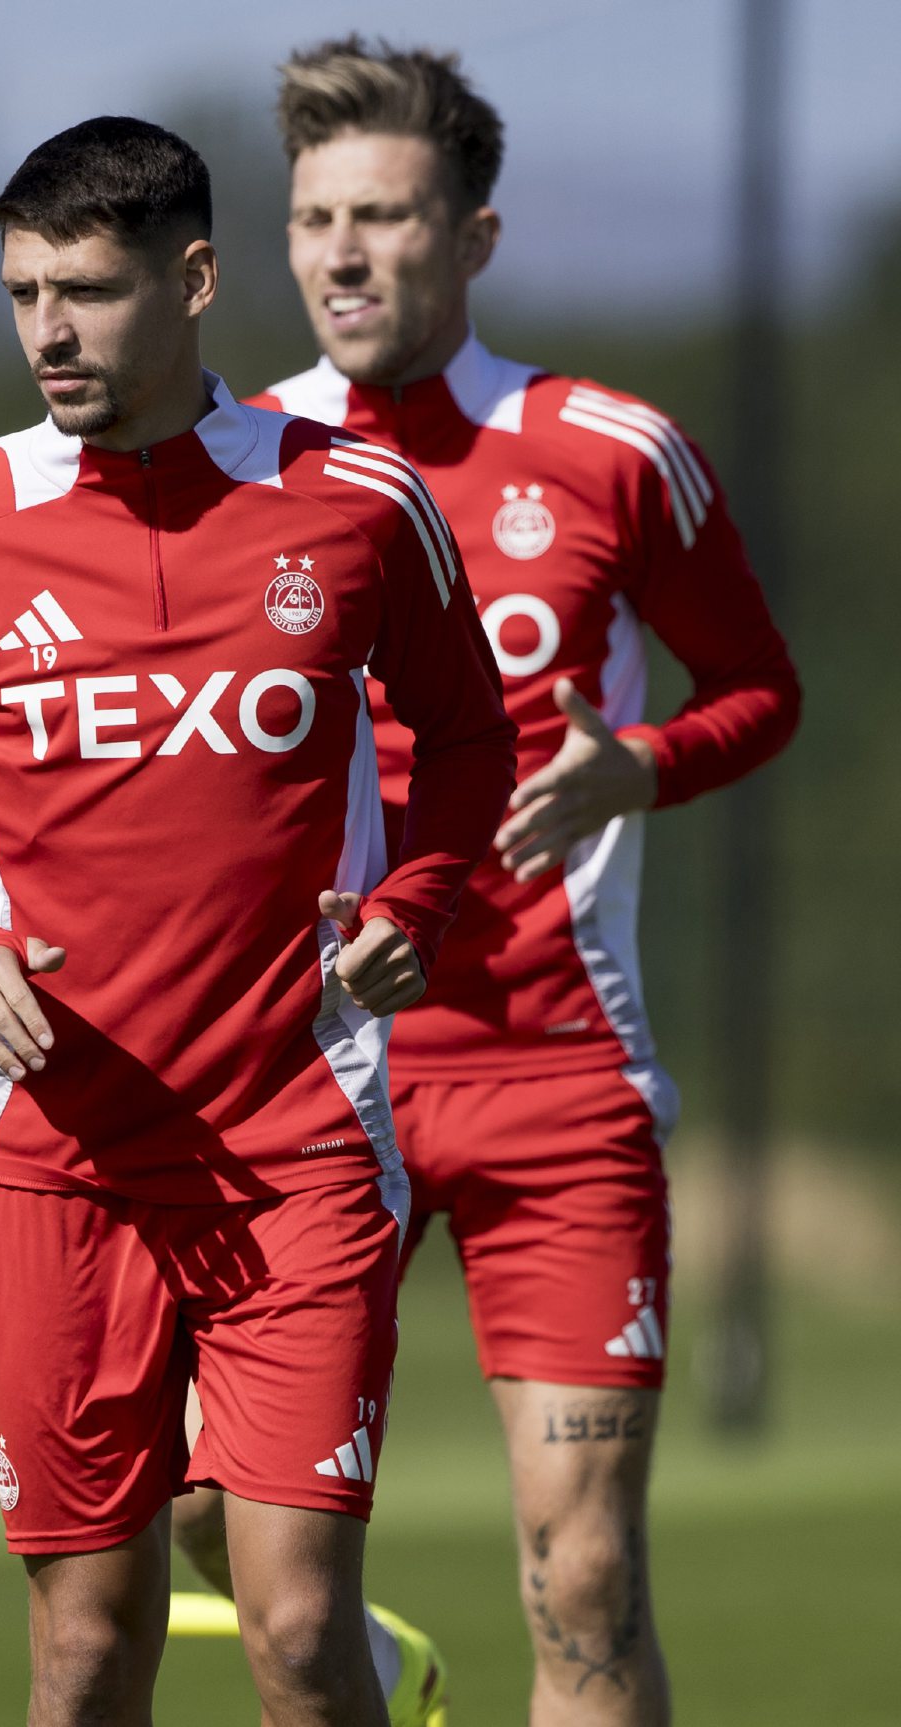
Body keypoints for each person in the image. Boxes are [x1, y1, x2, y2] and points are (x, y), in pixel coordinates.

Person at [0, 115, 515, 1727]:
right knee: (84, 1651)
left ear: (191, 281)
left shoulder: (360, 504)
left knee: (301, 1637)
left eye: (90, 291)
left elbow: (473, 741)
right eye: (23, 290)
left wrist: (421, 900)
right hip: (56, 1158)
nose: (48, 329)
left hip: (300, 1141)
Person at [171, 39, 802, 1727]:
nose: (345, 253)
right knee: (197, 1522)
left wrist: (640, 765)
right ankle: (380, 1670)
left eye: (386, 214)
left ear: (475, 237)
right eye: (315, 218)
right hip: (302, 1082)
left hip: (551, 1077)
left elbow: (761, 686)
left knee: (585, 1573)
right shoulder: (220, 457)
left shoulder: (609, 449)